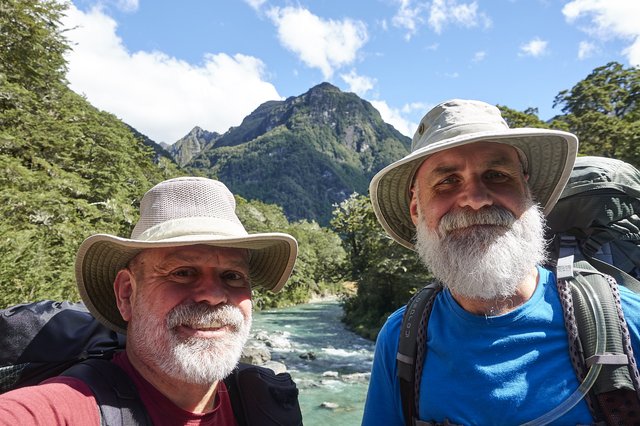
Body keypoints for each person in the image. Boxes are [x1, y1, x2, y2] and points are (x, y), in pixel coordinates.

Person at [361, 99, 640, 425]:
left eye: (496, 175)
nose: (476, 199)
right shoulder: (400, 341)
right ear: (415, 208)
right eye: (447, 181)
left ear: (528, 193)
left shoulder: (625, 322)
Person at [0, 176, 298, 425]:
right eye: (183, 272)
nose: (214, 294)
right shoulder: (66, 407)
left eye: (232, 276)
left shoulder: (260, 401)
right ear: (126, 294)